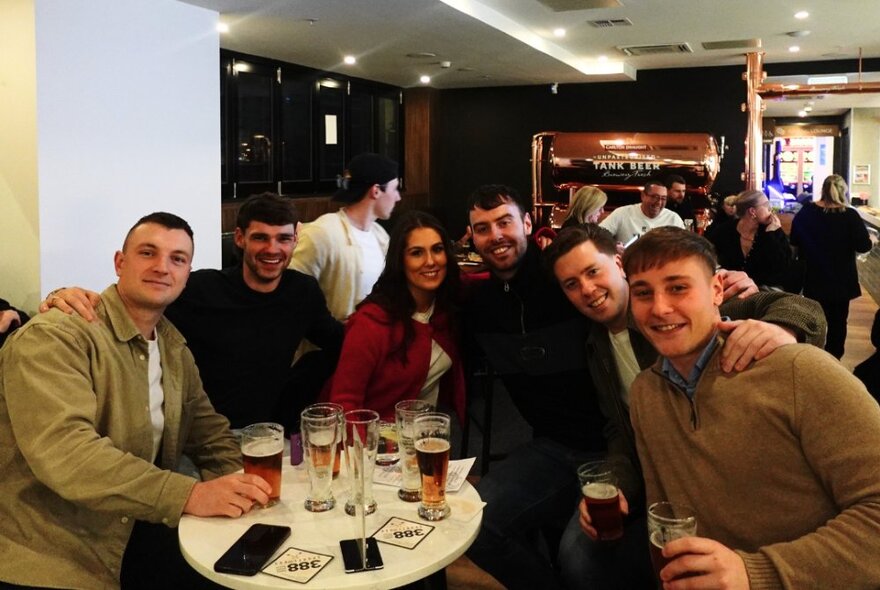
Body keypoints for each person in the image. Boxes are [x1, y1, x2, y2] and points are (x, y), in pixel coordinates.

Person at [544, 224, 826, 589]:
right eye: (571, 284)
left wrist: (783, 330)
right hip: (658, 483)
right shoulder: (596, 347)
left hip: (723, 481)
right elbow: (621, 431)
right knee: (580, 557)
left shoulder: (678, 315)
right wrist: (619, 487)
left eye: (592, 272)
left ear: (618, 263)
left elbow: (805, 309)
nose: (586, 289)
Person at [0, 213, 272, 590]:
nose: (162, 267)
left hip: (134, 535)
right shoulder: (57, 336)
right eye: (148, 252)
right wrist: (189, 494)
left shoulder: (173, 348)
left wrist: (242, 493)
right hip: (52, 551)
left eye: (177, 259)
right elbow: (67, 453)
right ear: (119, 262)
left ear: (187, 274)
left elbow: (210, 435)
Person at [624, 227, 880, 589]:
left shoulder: (797, 370)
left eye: (678, 287)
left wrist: (755, 572)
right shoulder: (645, 394)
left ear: (716, 290)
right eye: (643, 293)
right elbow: (665, 514)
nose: (660, 307)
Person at [39, 194, 344, 430]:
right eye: (261, 238)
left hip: (267, 433)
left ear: (295, 239)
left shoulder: (302, 293)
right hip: (192, 435)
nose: (272, 249)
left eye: (283, 239)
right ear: (239, 238)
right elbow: (131, 302)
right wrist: (61, 296)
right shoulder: (200, 288)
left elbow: (337, 341)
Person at [461, 184, 609, 590]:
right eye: (483, 228)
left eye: (505, 222)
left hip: (614, 449)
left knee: (578, 560)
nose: (496, 236)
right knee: (475, 526)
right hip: (550, 447)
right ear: (471, 238)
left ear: (527, 223)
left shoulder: (567, 282)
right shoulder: (479, 306)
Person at [326, 210, 465, 422]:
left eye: (437, 249)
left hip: (420, 437)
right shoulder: (371, 323)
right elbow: (346, 404)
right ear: (400, 261)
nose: (430, 261)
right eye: (417, 253)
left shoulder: (446, 310)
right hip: (369, 442)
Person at [289, 152, 401, 321]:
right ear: (376, 191)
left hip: (369, 341)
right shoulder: (321, 234)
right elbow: (292, 294)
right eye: (395, 189)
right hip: (330, 345)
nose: (398, 197)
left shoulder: (381, 237)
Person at [791, 173, 872, 358]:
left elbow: (795, 241)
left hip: (813, 277)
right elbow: (863, 246)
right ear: (843, 191)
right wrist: (872, 240)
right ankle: (833, 360)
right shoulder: (850, 215)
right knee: (838, 323)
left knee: (812, 320)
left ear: (823, 190)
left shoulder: (806, 212)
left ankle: (812, 357)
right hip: (841, 281)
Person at [706, 189, 793, 290]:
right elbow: (708, 255)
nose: (771, 209)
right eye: (767, 205)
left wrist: (772, 234)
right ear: (752, 212)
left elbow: (784, 268)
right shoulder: (725, 231)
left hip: (766, 291)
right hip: (731, 288)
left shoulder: (773, 231)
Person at [599, 179, 684, 244]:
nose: (659, 202)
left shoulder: (673, 218)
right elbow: (598, 235)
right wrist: (614, 247)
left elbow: (685, 246)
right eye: (655, 197)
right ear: (643, 196)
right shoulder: (622, 213)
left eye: (663, 199)